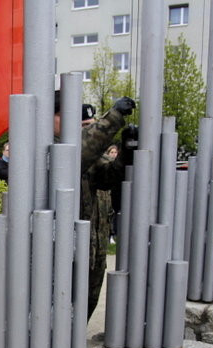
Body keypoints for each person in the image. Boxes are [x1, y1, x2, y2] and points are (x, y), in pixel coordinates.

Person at [54, 92, 136, 319]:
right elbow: (80, 154)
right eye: (63, 115)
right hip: (60, 253)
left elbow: (107, 177)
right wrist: (115, 117)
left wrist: (126, 154)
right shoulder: (54, 148)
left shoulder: (83, 151)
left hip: (91, 250)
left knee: (82, 313)